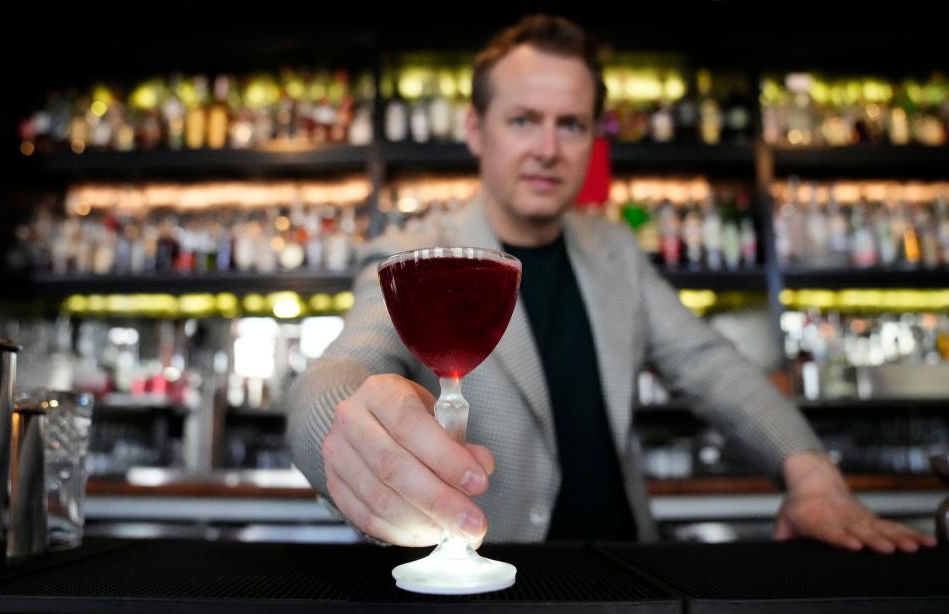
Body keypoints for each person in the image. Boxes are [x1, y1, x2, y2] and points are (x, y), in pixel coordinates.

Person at [288, 14, 936, 552]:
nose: (547, 147)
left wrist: (810, 473)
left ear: (591, 139)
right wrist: (335, 430)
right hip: (487, 583)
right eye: (522, 120)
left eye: (569, 124)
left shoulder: (613, 250)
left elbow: (710, 365)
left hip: (625, 572)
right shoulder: (411, 253)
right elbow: (348, 361)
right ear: (473, 131)